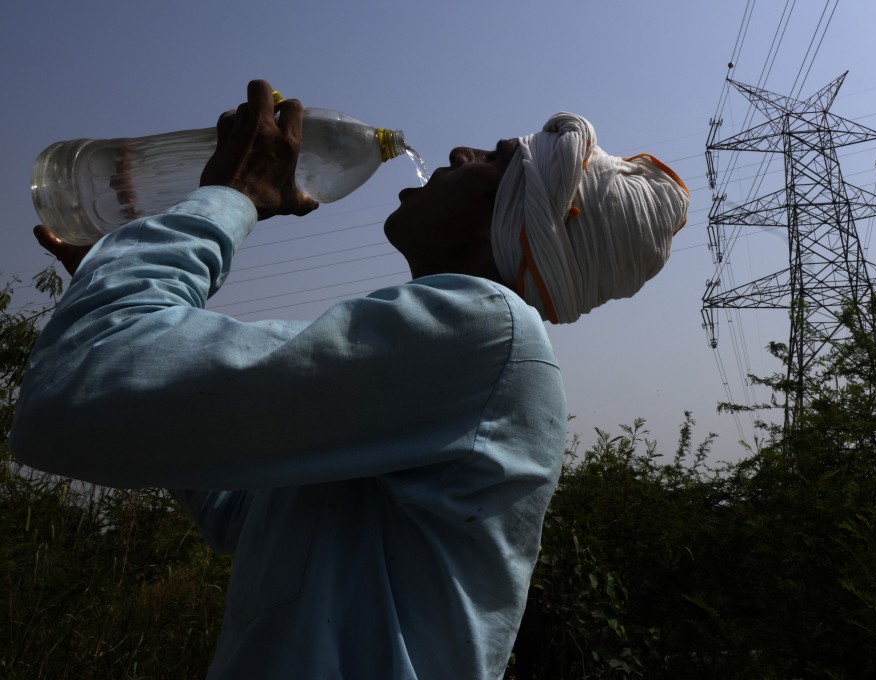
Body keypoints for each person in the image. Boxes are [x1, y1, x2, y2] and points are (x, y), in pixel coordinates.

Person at [11, 80, 689, 679]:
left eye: (492, 160)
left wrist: (228, 195)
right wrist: (123, 298)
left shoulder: (487, 333)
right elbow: (246, 511)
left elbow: (72, 393)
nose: (458, 155)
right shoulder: (439, 366)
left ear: (514, 222)